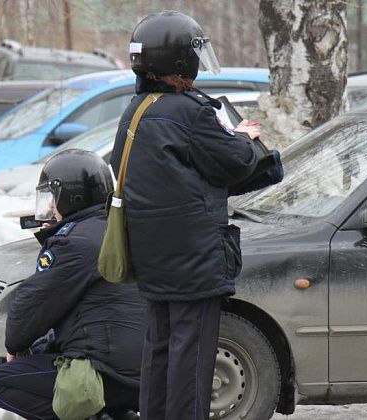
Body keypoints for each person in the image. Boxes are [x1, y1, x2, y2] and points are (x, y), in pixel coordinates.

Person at [110, 11, 282, 420]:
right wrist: (244, 138)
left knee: (160, 354)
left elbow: (159, 176)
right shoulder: (192, 113)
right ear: (180, 61)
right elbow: (238, 162)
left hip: (151, 259)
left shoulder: (134, 112)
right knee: (191, 360)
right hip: (194, 260)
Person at [0, 149, 145, 420]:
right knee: (45, 350)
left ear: (71, 197)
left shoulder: (75, 242)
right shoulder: (120, 228)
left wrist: (13, 346)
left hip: (106, 373)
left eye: (51, 199)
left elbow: (31, 305)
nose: (48, 209)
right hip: (144, 371)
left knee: (0, 382)